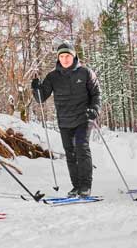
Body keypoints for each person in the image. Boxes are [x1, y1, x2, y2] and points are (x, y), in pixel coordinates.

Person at [31, 42, 101, 198]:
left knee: (81, 148)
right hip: (64, 121)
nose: (65, 59)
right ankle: (76, 186)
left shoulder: (85, 73)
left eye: (67, 56)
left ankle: (85, 186)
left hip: (84, 117)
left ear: (74, 56)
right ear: (58, 58)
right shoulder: (52, 77)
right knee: (70, 153)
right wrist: (35, 88)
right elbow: (41, 98)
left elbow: (96, 94)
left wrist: (94, 109)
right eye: (61, 56)